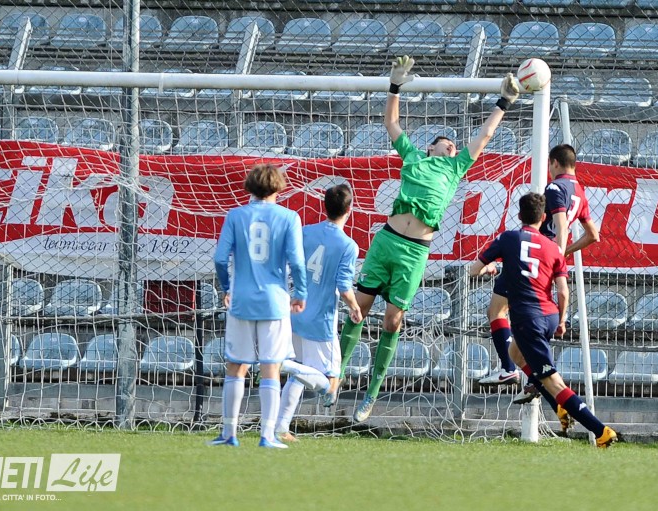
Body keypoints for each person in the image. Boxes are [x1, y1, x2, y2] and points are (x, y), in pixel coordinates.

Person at [337, 55, 521, 423]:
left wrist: (503, 102)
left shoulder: (456, 168)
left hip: (414, 251)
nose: (452, 147)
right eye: (445, 143)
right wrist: (394, 85)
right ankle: (335, 376)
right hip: (387, 240)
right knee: (359, 308)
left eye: (454, 145)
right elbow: (391, 122)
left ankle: (371, 394)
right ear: (430, 148)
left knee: (392, 322)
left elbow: (484, 135)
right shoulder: (413, 158)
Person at [469, 192, 617, 448]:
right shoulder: (554, 249)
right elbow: (563, 291)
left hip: (529, 319)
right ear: (544, 218)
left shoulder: (508, 238)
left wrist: (489, 268)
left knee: (554, 382)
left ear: (519, 215)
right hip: (549, 315)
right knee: (516, 354)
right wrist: (562, 320)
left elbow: (474, 270)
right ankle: (559, 405)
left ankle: (601, 431)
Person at [479, 144, 600, 432]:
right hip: (544, 264)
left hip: (530, 260)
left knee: (496, 312)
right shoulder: (580, 192)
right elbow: (593, 235)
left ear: (554, 162)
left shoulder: (555, 188)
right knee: (520, 349)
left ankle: (508, 370)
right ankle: (545, 392)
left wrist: (556, 253)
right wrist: (561, 254)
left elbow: (561, 225)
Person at [208, 163, 307, 449]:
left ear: (249, 186)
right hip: (274, 302)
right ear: (279, 187)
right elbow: (297, 261)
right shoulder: (289, 217)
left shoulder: (235, 215)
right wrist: (300, 292)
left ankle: (229, 433)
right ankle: (267, 435)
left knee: (236, 365)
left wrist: (227, 287)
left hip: (241, 300)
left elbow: (220, 258)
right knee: (270, 367)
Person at [275, 184, 363, 442]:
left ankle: (281, 427)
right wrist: (355, 307)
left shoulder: (305, 232)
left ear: (325, 207)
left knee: (301, 374)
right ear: (349, 209)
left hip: (295, 313)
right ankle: (284, 365)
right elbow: (344, 287)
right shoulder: (348, 246)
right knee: (331, 380)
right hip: (321, 321)